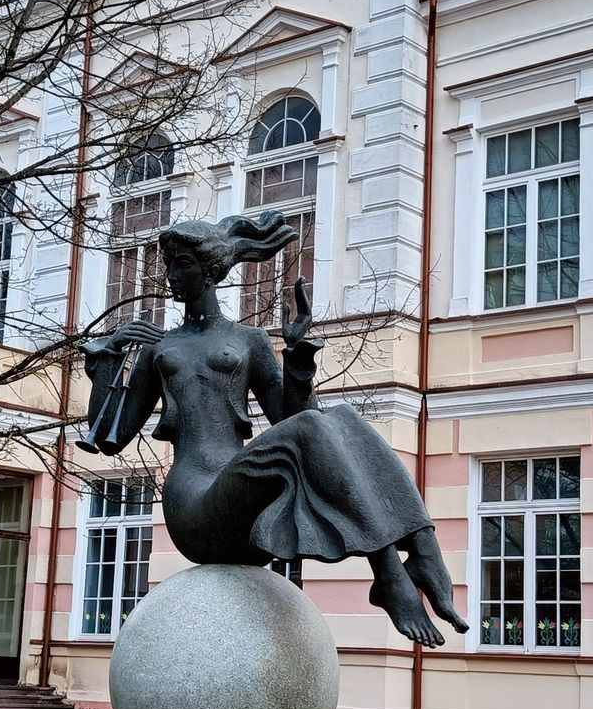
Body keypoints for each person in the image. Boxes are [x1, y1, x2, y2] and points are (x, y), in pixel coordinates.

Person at [78, 211, 467, 647]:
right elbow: (109, 435)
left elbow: (298, 416)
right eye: (168, 264)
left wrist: (298, 356)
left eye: (181, 263)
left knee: (340, 418)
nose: (170, 275)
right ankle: (395, 572)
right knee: (313, 428)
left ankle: (421, 550)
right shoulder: (159, 348)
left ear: (210, 270)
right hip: (194, 507)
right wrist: (104, 359)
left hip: (246, 507)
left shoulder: (251, 341)